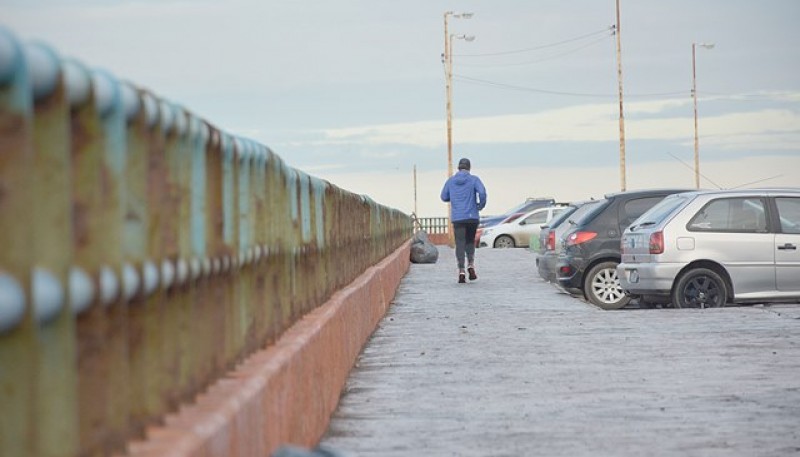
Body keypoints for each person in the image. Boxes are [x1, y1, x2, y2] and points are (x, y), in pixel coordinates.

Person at [440, 157, 487, 283]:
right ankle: (470, 264)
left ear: (458, 167)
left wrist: (454, 197)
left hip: (458, 217)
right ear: (469, 167)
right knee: (470, 241)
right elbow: (482, 192)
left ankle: (461, 270)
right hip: (472, 216)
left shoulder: (451, 181)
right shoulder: (474, 180)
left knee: (460, 243)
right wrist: (479, 205)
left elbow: (444, 196)